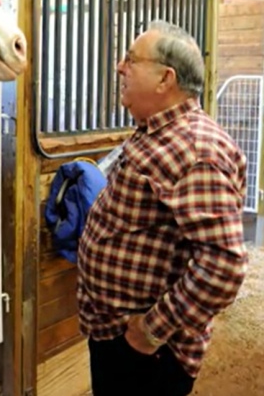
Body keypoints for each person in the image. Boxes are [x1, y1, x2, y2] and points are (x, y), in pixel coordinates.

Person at [77, 20, 248, 396]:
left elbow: (224, 263)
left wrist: (151, 330)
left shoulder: (194, 149)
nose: (121, 67)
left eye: (131, 60)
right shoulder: (158, 133)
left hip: (147, 349)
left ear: (164, 78)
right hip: (119, 335)